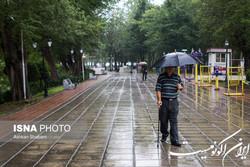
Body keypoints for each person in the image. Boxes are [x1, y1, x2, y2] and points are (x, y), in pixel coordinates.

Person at [155, 66, 183, 147]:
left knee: (174, 122)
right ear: (165, 68)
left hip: (174, 102)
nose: (170, 69)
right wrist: (159, 99)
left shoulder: (176, 77)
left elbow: (181, 87)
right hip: (164, 101)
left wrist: (180, 87)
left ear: (173, 68)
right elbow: (158, 89)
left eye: (171, 68)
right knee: (163, 120)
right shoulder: (161, 77)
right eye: (168, 68)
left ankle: (174, 140)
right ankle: (164, 134)